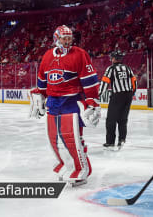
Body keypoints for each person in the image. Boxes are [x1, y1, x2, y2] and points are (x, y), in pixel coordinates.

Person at [28, 25, 100, 186]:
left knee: (72, 137)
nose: (67, 41)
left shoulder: (80, 54)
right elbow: (42, 81)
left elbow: (89, 81)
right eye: (64, 38)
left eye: (69, 38)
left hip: (72, 100)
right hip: (53, 102)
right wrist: (40, 95)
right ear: (56, 39)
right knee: (53, 138)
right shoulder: (47, 56)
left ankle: (80, 168)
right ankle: (65, 163)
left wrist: (92, 101)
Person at [98, 50, 137, 150]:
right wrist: (131, 93)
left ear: (114, 59)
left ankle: (110, 142)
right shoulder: (127, 68)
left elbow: (105, 82)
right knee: (123, 119)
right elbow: (134, 81)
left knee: (111, 119)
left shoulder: (111, 69)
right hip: (128, 95)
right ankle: (122, 139)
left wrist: (98, 94)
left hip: (117, 95)